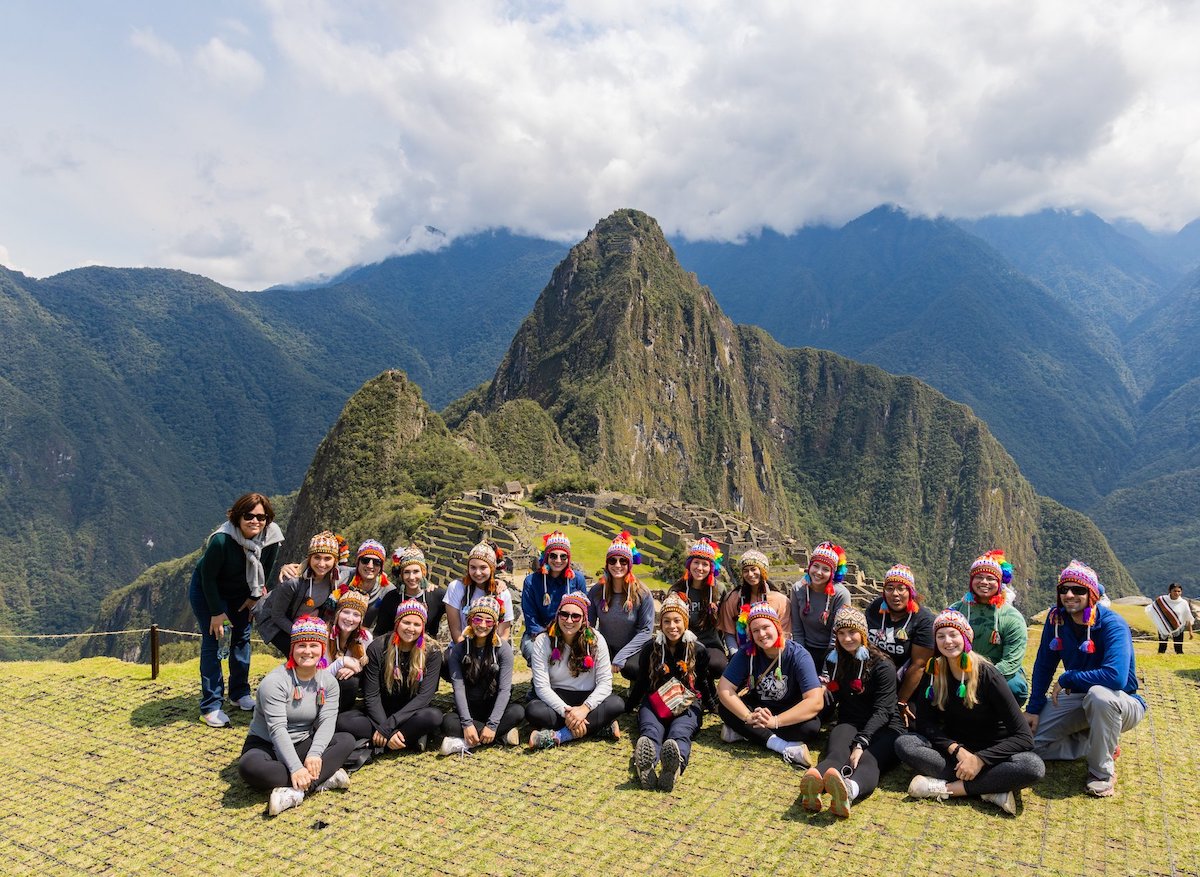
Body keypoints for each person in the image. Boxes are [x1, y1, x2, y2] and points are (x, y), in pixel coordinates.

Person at [896, 609, 1044, 815]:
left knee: (1032, 766)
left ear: (965, 637)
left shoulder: (988, 674)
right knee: (906, 743)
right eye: (941, 636)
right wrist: (956, 749)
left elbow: (1024, 738)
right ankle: (990, 789)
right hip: (956, 752)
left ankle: (949, 789)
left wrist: (979, 760)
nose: (948, 641)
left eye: (953, 634)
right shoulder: (934, 672)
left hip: (992, 752)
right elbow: (925, 723)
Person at [1026, 560, 1146, 798]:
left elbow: (1116, 678)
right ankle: (1096, 744)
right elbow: (1044, 664)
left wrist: (1069, 677)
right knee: (1029, 744)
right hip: (1079, 698)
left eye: (1078, 590)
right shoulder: (1056, 619)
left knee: (1099, 696)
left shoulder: (1113, 625)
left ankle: (1101, 772)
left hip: (1121, 702)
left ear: (1091, 594)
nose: (1069, 595)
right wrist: (1034, 707)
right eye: (1064, 590)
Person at [237, 616, 358, 816]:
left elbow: (327, 721)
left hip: (303, 741)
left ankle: (296, 792)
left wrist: (314, 754)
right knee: (249, 767)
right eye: (301, 645)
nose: (308, 651)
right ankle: (323, 778)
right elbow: (277, 729)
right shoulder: (274, 682)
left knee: (346, 740)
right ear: (292, 648)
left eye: (314, 645)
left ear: (322, 648)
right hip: (267, 744)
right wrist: (295, 768)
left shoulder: (328, 682)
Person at [188, 492, 284, 727]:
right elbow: (208, 578)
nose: (255, 521)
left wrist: (254, 599)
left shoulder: (271, 539)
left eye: (261, 517)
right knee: (214, 641)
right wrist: (216, 612)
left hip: (242, 592)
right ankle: (211, 705)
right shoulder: (222, 541)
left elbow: (265, 570)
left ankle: (239, 693)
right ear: (237, 517)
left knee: (241, 638)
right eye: (248, 516)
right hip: (209, 592)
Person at [800, 607, 904, 818]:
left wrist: (860, 744)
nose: (847, 638)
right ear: (836, 635)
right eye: (841, 633)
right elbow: (834, 696)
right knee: (836, 754)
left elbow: (883, 710)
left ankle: (848, 791)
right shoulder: (835, 660)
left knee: (867, 760)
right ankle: (813, 784)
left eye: (852, 632)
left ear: (863, 634)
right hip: (850, 720)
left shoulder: (883, 666)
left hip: (886, 726)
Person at [627, 592, 718, 791]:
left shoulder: (698, 650)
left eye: (677, 620)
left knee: (680, 733)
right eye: (666, 621)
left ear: (685, 622)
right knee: (650, 731)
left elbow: (704, 681)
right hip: (655, 700)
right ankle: (646, 765)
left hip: (687, 703)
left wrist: (714, 706)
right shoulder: (650, 648)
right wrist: (628, 706)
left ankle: (674, 767)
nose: (672, 626)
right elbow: (641, 681)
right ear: (661, 624)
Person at [716, 602, 823, 767]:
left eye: (766, 627)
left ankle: (745, 732)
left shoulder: (799, 655)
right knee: (725, 707)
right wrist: (747, 716)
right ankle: (783, 746)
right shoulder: (747, 653)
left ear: (777, 626)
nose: (762, 634)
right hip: (759, 708)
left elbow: (815, 701)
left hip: (787, 710)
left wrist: (775, 722)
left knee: (811, 727)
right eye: (756, 630)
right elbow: (724, 688)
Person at [337, 598, 444, 756]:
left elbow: (425, 697)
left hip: (410, 714)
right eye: (406, 622)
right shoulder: (378, 647)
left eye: (416, 624)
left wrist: (388, 728)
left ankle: (384, 740)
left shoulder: (432, 652)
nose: (411, 628)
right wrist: (385, 727)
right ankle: (405, 738)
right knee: (343, 721)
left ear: (423, 627)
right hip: (380, 713)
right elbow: (372, 695)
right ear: (397, 623)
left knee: (433, 716)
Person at [526, 592, 625, 749]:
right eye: (564, 614)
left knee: (617, 704)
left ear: (584, 619)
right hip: (558, 697)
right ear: (558, 615)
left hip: (587, 697)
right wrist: (568, 714)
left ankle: (559, 736)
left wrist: (585, 709)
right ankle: (599, 726)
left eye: (576, 616)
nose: (569, 620)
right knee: (533, 710)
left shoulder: (596, 640)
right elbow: (542, 687)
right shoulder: (543, 641)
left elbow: (605, 682)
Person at [440, 595, 525, 754]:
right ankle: (501, 736)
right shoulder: (458, 651)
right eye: (478, 619)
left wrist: (492, 724)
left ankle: (465, 742)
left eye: (489, 621)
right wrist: (466, 723)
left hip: (493, 708)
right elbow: (458, 688)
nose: (483, 625)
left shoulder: (503, 650)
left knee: (518, 711)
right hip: (469, 709)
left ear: (495, 624)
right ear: (470, 620)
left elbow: (504, 690)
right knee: (447, 721)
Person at [949, 550, 1029, 707]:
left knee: (1015, 688)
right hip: (960, 669)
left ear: (999, 583)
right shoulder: (956, 610)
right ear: (971, 581)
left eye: (990, 578)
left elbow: (1011, 662)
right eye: (978, 577)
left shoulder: (1012, 618)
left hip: (994, 674)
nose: (984, 582)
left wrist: (977, 679)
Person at [865, 563, 934, 727]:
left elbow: (919, 665)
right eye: (889, 588)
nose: (895, 594)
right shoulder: (875, 608)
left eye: (901, 588)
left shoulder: (923, 620)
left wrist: (901, 701)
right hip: (874, 679)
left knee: (907, 724)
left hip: (905, 685)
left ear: (910, 591)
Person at [256, 531, 341, 656]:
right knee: (301, 656)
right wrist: (303, 634)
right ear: (310, 558)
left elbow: (357, 570)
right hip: (275, 623)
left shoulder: (333, 579)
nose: (322, 564)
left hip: (301, 623)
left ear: (335, 561)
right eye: (317, 557)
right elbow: (277, 615)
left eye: (327, 558)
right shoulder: (293, 581)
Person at [587, 531, 655, 685]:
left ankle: (637, 688)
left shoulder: (642, 593)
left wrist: (621, 656)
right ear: (607, 563)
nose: (617, 565)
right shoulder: (597, 591)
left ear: (629, 564)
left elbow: (645, 631)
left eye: (623, 561)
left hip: (634, 647)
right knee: (587, 662)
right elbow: (588, 625)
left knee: (634, 668)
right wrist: (595, 648)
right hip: (606, 645)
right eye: (613, 560)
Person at [520, 531, 588, 664]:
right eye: (553, 556)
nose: (558, 561)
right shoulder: (531, 581)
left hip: (570, 631)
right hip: (540, 633)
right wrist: (546, 638)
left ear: (568, 558)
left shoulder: (577, 579)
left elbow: (584, 612)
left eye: (563, 556)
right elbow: (530, 616)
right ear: (546, 557)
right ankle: (540, 681)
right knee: (537, 652)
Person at [668, 538, 728, 681]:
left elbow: (724, 621)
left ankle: (705, 689)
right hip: (682, 643)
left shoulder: (719, 590)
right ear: (689, 564)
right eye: (696, 562)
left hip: (710, 643)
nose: (700, 568)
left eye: (705, 564)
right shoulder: (678, 590)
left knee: (718, 665)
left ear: (711, 568)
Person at [790, 541, 852, 673]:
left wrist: (825, 672)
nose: (818, 572)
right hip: (804, 650)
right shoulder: (798, 589)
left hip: (834, 653)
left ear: (833, 573)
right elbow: (797, 630)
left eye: (825, 569)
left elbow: (836, 637)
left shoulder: (841, 595)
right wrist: (802, 662)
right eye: (816, 566)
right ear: (809, 566)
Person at [717, 549, 790, 654]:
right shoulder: (733, 598)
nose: (750, 574)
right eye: (745, 571)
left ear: (763, 571)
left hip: (773, 654)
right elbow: (729, 633)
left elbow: (785, 634)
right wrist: (735, 655)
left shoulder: (781, 601)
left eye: (753, 569)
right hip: (742, 654)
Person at [445, 542, 514, 643]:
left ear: (492, 569)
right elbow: (456, 631)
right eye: (473, 567)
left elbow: (503, 634)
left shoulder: (502, 593)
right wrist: (466, 653)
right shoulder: (456, 588)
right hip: (462, 648)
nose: (477, 573)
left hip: (492, 651)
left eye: (483, 568)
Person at [375, 545, 446, 640]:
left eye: (416, 571)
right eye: (407, 572)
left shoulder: (437, 596)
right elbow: (379, 633)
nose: (412, 577)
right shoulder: (391, 598)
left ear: (423, 572)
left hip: (427, 652)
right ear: (401, 574)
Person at [327, 589, 372, 712]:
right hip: (321, 688)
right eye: (345, 612)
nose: (350, 618)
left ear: (361, 619)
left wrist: (354, 668)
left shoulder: (364, 638)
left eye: (356, 615)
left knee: (350, 681)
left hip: (345, 688)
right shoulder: (325, 635)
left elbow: (363, 665)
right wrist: (342, 662)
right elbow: (319, 676)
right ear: (337, 614)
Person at [1145, 582, 1194, 654]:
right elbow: (1153, 609)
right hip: (1163, 625)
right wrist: (1159, 622)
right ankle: (1160, 659)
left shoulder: (1183, 603)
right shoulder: (1162, 600)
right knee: (1162, 646)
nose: (1177, 593)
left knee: (1179, 648)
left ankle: (1179, 661)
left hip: (1178, 627)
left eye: (1179, 591)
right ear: (1170, 591)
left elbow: (1187, 617)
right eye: (1174, 591)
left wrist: (1190, 631)